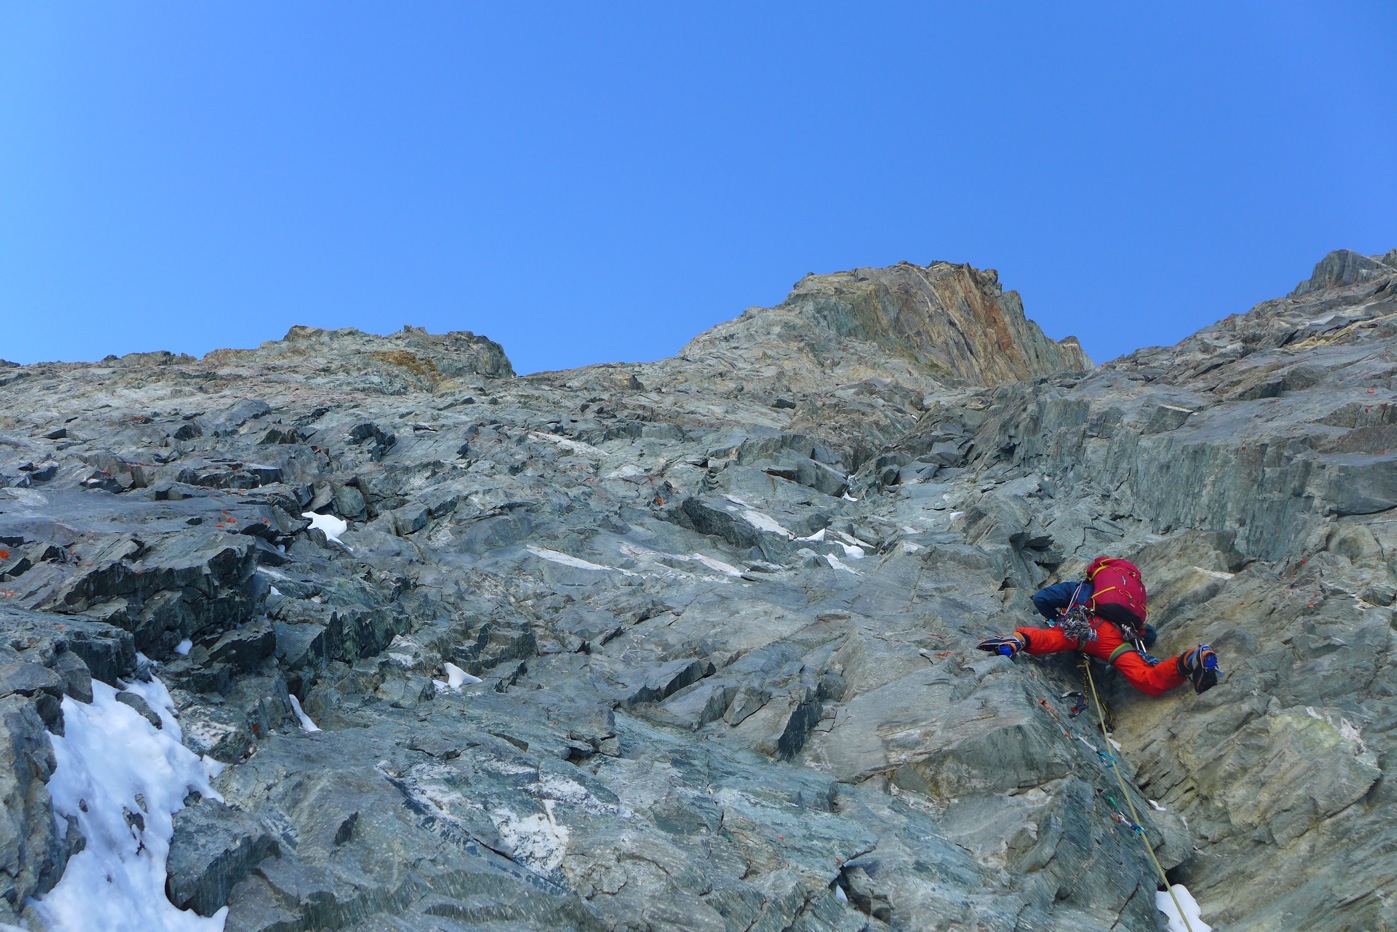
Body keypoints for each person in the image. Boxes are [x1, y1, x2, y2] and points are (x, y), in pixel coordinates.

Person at [977, 559, 1219, 696]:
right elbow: (1149, 633)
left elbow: (1042, 598)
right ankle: (1190, 659)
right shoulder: (1130, 600)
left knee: (1047, 639)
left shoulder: (1081, 587)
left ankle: (1016, 641)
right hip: (1112, 640)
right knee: (1148, 679)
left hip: (1079, 626)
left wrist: (1056, 619)